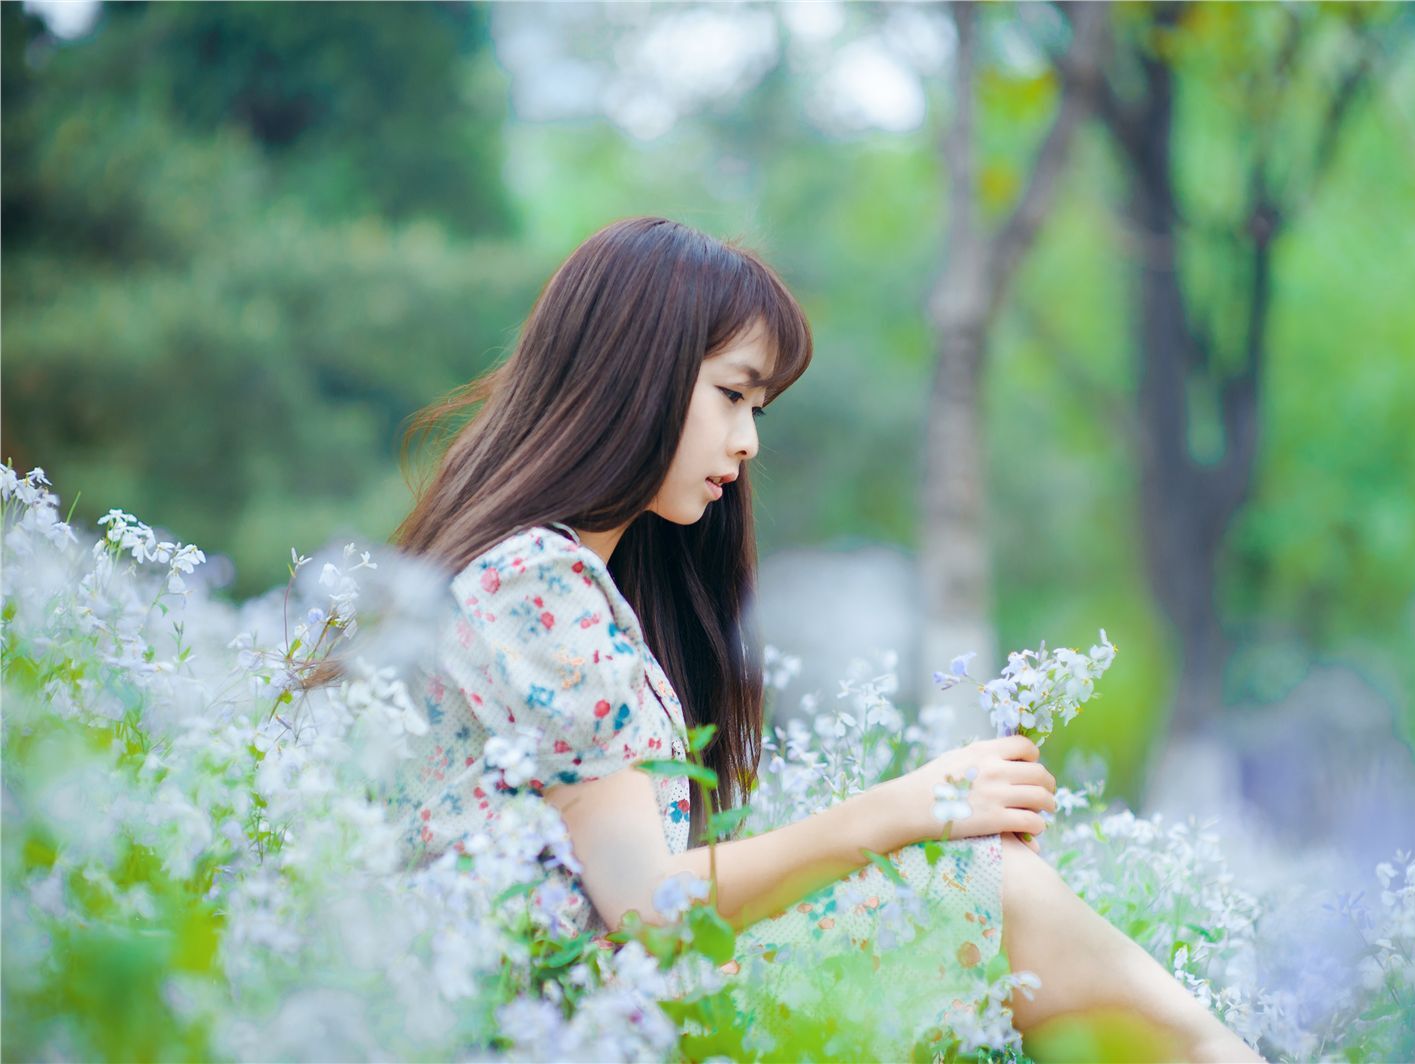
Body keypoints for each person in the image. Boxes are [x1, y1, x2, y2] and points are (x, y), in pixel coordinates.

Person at [385, 216, 1263, 1061]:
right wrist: (913, 808)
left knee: (988, 893)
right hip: (564, 1030)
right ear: (631, 373)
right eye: (731, 394)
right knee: (998, 894)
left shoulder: (575, 584)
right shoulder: (534, 578)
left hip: (606, 1011)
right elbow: (651, 911)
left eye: (758, 407)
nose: (748, 441)